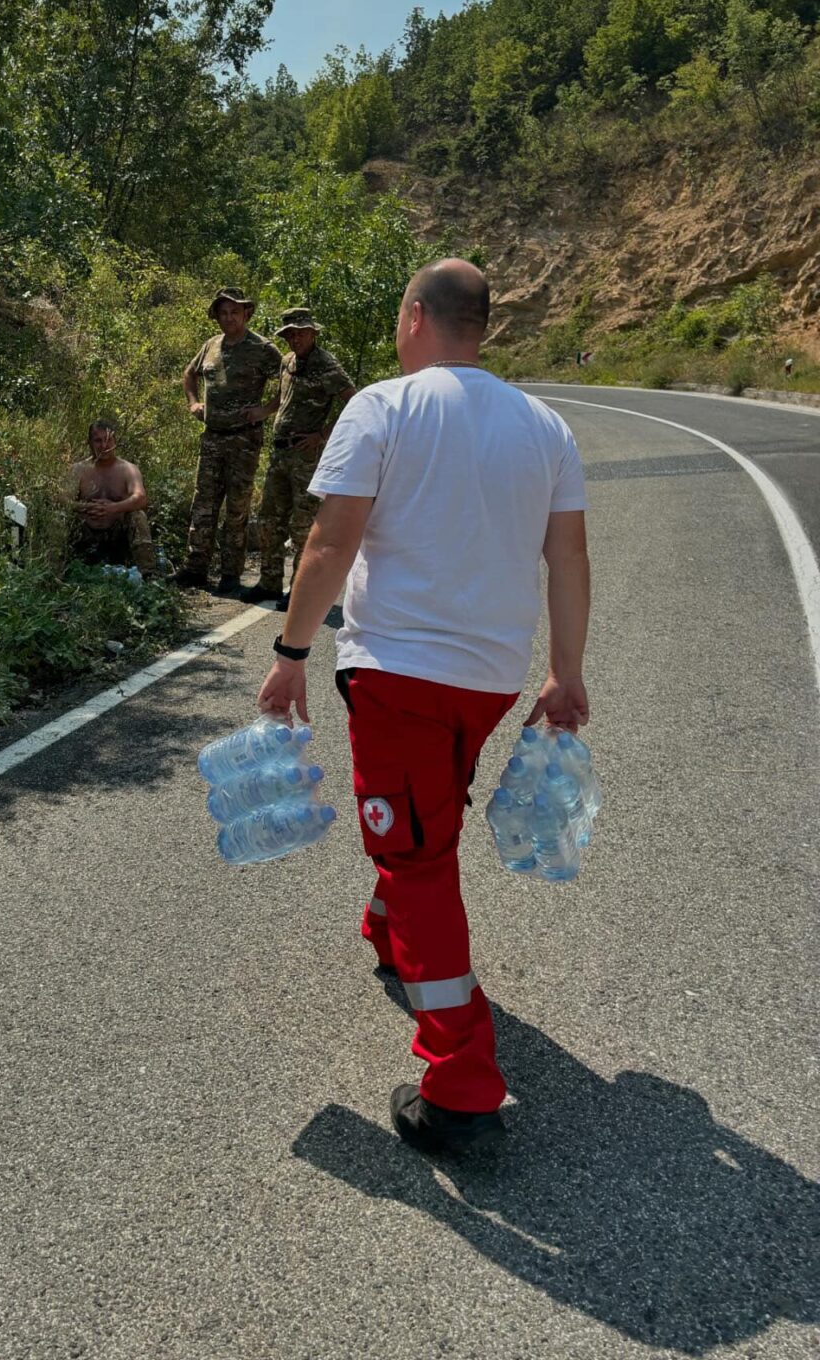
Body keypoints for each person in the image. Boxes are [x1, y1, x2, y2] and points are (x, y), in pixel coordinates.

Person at [257, 259, 590, 1157]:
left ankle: (461, 1084)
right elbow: (568, 561)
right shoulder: (546, 425)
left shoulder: (382, 406)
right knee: (418, 825)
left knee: (415, 858)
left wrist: (289, 654)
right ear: (480, 326)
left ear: (414, 317)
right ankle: (387, 930)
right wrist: (564, 674)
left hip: (398, 673)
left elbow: (330, 541)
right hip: (488, 680)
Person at [241, 308, 355, 611]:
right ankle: (269, 582)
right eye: (290, 333)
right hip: (280, 452)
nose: (295, 337)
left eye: (300, 332)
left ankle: (301, 589)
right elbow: (282, 399)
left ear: (313, 333)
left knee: (302, 525)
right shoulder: (287, 362)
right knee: (269, 519)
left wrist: (322, 434)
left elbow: (354, 401)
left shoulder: (327, 365)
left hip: (306, 456)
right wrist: (262, 413)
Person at [176, 286, 281, 596]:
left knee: (236, 508)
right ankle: (196, 568)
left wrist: (265, 410)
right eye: (223, 313)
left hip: (244, 441)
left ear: (245, 313)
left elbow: (287, 382)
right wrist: (193, 402)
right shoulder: (210, 346)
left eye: (234, 311)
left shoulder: (262, 348)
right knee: (203, 506)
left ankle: (230, 575)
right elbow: (189, 374)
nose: (229, 317)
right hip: (212, 439)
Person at [68, 420, 156, 576]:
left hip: (117, 535)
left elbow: (141, 498)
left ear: (115, 440)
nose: (104, 445)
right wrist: (85, 507)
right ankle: (53, 573)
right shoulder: (78, 470)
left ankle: (149, 575)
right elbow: (62, 499)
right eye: (98, 440)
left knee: (138, 515)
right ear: (89, 443)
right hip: (85, 533)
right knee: (58, 516)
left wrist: (113, 508)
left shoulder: (128, 469)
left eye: (108, 439)